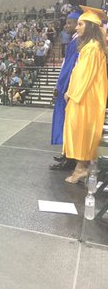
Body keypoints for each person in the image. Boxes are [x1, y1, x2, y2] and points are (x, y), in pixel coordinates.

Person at [62, 6, 108, 184]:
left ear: (90, 26)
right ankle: (81, 166)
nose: (77, 27)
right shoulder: (93, 46)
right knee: (83, 131)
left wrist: (71, 93)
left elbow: (83, 74)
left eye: (80, 24)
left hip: (85, 97)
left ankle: (81, 168)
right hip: (88, 95)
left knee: (81, 130)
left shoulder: (92, 48)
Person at [50, 10, 83, 171]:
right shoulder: (75, 41)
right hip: (67, 86)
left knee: (68, 123)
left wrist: (60, 87)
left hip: (69, 88)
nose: (66, 25)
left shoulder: (78, 42)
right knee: (65, 123)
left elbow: (70, 69)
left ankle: (70, 158)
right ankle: (66, 154)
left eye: (70, 23)